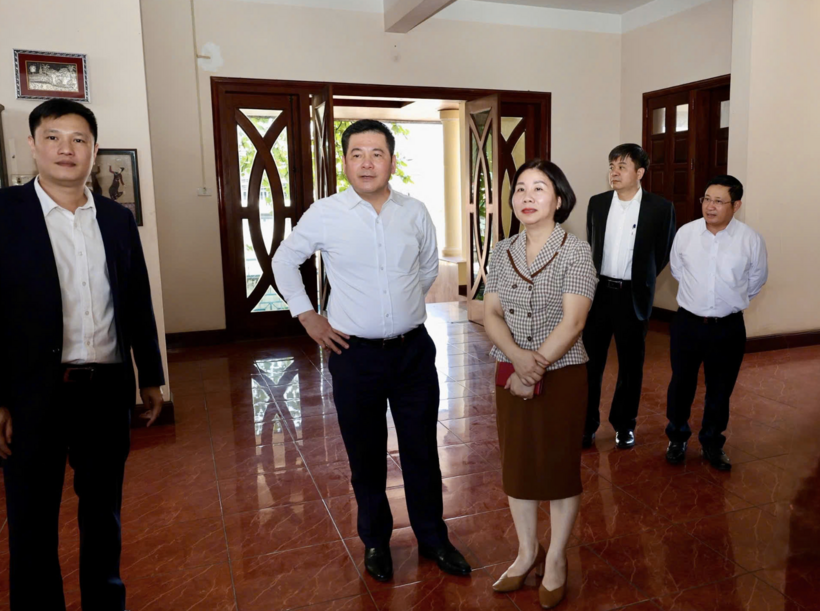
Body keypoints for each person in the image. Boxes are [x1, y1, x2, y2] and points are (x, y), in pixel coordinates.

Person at [272, 119, 470, 582]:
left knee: (422, 449)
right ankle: (376, 542)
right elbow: (284, 260)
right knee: (365, 454)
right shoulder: (325, 213)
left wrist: (397, 309)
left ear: (391, 161)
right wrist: (307, 315)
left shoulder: (415, 211)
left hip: (412, 353)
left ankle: (433, 539)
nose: (366, 162)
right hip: (353, 355)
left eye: (376, 153)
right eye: (356, 153)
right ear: (344, 162)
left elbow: (425, 269)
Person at [0, 99, 165, 610]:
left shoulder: (117, 219)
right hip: (31, 395)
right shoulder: (5, 214)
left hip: (104, 390)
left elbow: (136, 300)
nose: (65, 149)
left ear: (94, 150)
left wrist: (150, 377)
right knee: (31, 518)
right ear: (32, 145)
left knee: (103, 513)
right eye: (53, 137)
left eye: (78, 140)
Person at [484, 159, 597, 609]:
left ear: (559, 199)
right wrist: (516, 361)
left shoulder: (576, 250)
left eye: (539, 189)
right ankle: (527, 551)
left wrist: (536, 367)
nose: (527, 197)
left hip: (564, 372)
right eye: (520, 189)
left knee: (557, 468)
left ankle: (556, 559)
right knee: (518, 467)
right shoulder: (501, 250)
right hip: (508, 372)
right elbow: (490, 312)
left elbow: (574, 321)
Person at [665, 175, 767, 471]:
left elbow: (756, 280)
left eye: (718, 201)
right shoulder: (686, 233)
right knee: (681, 383)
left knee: (720, 387)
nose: (710, 206)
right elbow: (677, 270)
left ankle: (712, 441)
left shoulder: (750, 240)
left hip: (728, 327)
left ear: (736, 205)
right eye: (706, 199)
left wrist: (726, 302)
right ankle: (677, 437)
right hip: (688, 323)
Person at [583, 143, 676, 449]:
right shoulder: (597, 203)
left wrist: (642, 281)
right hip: (599, 295)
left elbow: (661, 253)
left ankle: (625, 425)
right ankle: (586, 425)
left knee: (630, 365)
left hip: (632, 296)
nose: (615, 172)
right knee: (590, 363)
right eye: (611, 166)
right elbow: (592, 246)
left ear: (639, 172)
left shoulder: (660, 208)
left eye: (622, 167)